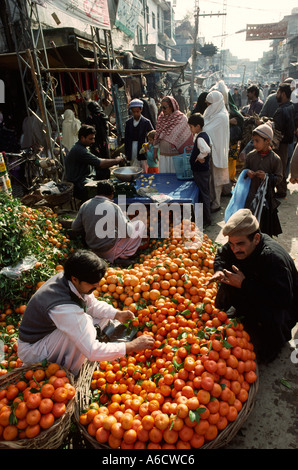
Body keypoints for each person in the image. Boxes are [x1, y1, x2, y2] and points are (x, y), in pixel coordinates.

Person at [18, 250, 155, 376]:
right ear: (75, 279)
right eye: (92, 284)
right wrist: (131, 346)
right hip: (33, 348)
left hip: (48, 334)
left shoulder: (69, 280)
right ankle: (69, 373)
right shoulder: (63, 307)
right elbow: (92, 350)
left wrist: (116, 314)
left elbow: (92, 305)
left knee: (98, 319)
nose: (97, 286)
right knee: (84, 326)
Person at [208, 208, 298, 364]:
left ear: (256, 238)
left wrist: (244, 284)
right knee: (228, 278)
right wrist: (219, 270)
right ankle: (243, 315)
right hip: (255, 292)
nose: (235, 249)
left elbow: (282, 299)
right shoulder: (236, 245)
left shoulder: (273, 258)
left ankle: (273, 343)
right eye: (231, 244)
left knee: (256, 352)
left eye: (240, 244)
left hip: (279, 312)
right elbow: (221, 254)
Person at [71, 180, 146, 265]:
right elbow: (127, 232)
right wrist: (126, 220)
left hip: (92, 248)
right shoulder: (113, 207)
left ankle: (114, 255)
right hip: (108, 249)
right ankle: (121, 256)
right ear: (112, 194)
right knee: (139, 225)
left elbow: (75, 227)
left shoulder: (85, 205)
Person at [243, 122, 283, 237]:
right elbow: (244, 170)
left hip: (266, 198)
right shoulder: (251, 156)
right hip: (251, 195)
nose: (254, 143)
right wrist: (247, 172)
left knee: (265, 226)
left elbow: (279, 178)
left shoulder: (275, 159)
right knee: (250, 223)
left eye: (257, 141)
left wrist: (266, 177)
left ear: (267, 141)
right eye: (253, 140)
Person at [65, 125, 124, 202]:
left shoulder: (82, 147)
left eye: (93, 138)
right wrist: (116, 160)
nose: (93, 141)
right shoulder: (79, 150)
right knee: (105, 188)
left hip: (85, 177)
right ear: (82, 138)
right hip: (79, 184)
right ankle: (96, 201)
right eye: (90, 139)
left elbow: (98, 161)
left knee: (106, 172)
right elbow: (100, 163)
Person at [203, 90, 230, 212]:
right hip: (211, 151)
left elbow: (207, 130)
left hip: (218, 151)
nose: (208, 107)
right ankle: (211, 201)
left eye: (210, 104)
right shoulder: (213, 114)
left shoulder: (221, 116)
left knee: (217, 180)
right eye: (207, 104)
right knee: (210, 180)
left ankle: (216, 203)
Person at [153, 96, 193, 173]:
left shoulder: (181, 118)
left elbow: (186, 135)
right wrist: (155, 152)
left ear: (172, 107)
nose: (162, 110)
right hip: (163, 155)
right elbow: (157, 136)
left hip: (176, 157)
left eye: (165, 107)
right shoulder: (161, 118)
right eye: (161, 107)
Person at [188, 113, 211, 227]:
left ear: (197, 126)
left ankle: (207, 218)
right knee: (203, 193)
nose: (190, 129)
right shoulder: (204, 135)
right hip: (202, 170)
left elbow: (206, 150)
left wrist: (199, 157)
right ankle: (205, 217)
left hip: (200, 171)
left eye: (191, 127)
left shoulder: (200, 137)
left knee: (203, 193)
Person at [273, 83, 295, 198]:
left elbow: (277, 129)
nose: (276, 95)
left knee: (279, 166)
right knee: (281, 165)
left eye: (278, 92)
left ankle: (281, 191)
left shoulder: (282, 110)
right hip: (286, 142)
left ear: (284, 94)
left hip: (280, 143)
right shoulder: (289, 106)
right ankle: (281, 189)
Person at [124, 98, 153, 172]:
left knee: (143, 169)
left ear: (141, 110)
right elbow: (126, 139)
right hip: (131, 148)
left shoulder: (146, 122)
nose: (135, 114)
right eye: (133, 112)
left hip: (142, 149)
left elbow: (153, 134)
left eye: (137, 111)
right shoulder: (128, 122)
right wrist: (127, 153)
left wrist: (148, 145)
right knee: (133, 169)